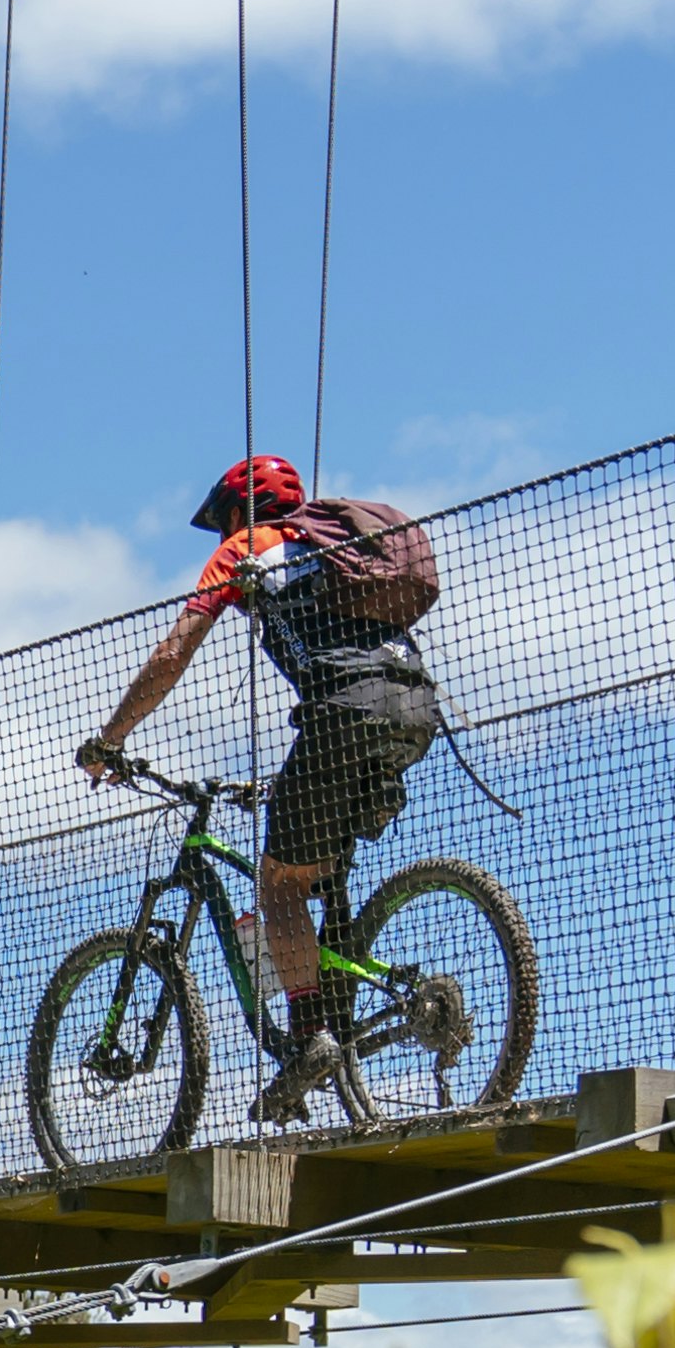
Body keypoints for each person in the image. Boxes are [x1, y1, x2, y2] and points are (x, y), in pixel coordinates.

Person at [75, 453, 445, 1120]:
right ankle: (344, 1040)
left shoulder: (249, 547)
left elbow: (171, 654)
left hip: (340, 712)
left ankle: (312, 1041)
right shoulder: (337, 548)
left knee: (277, 886)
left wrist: (111, 739)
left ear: (236, 513)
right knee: (315, 874)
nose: (222, 540)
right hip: (415, 708)